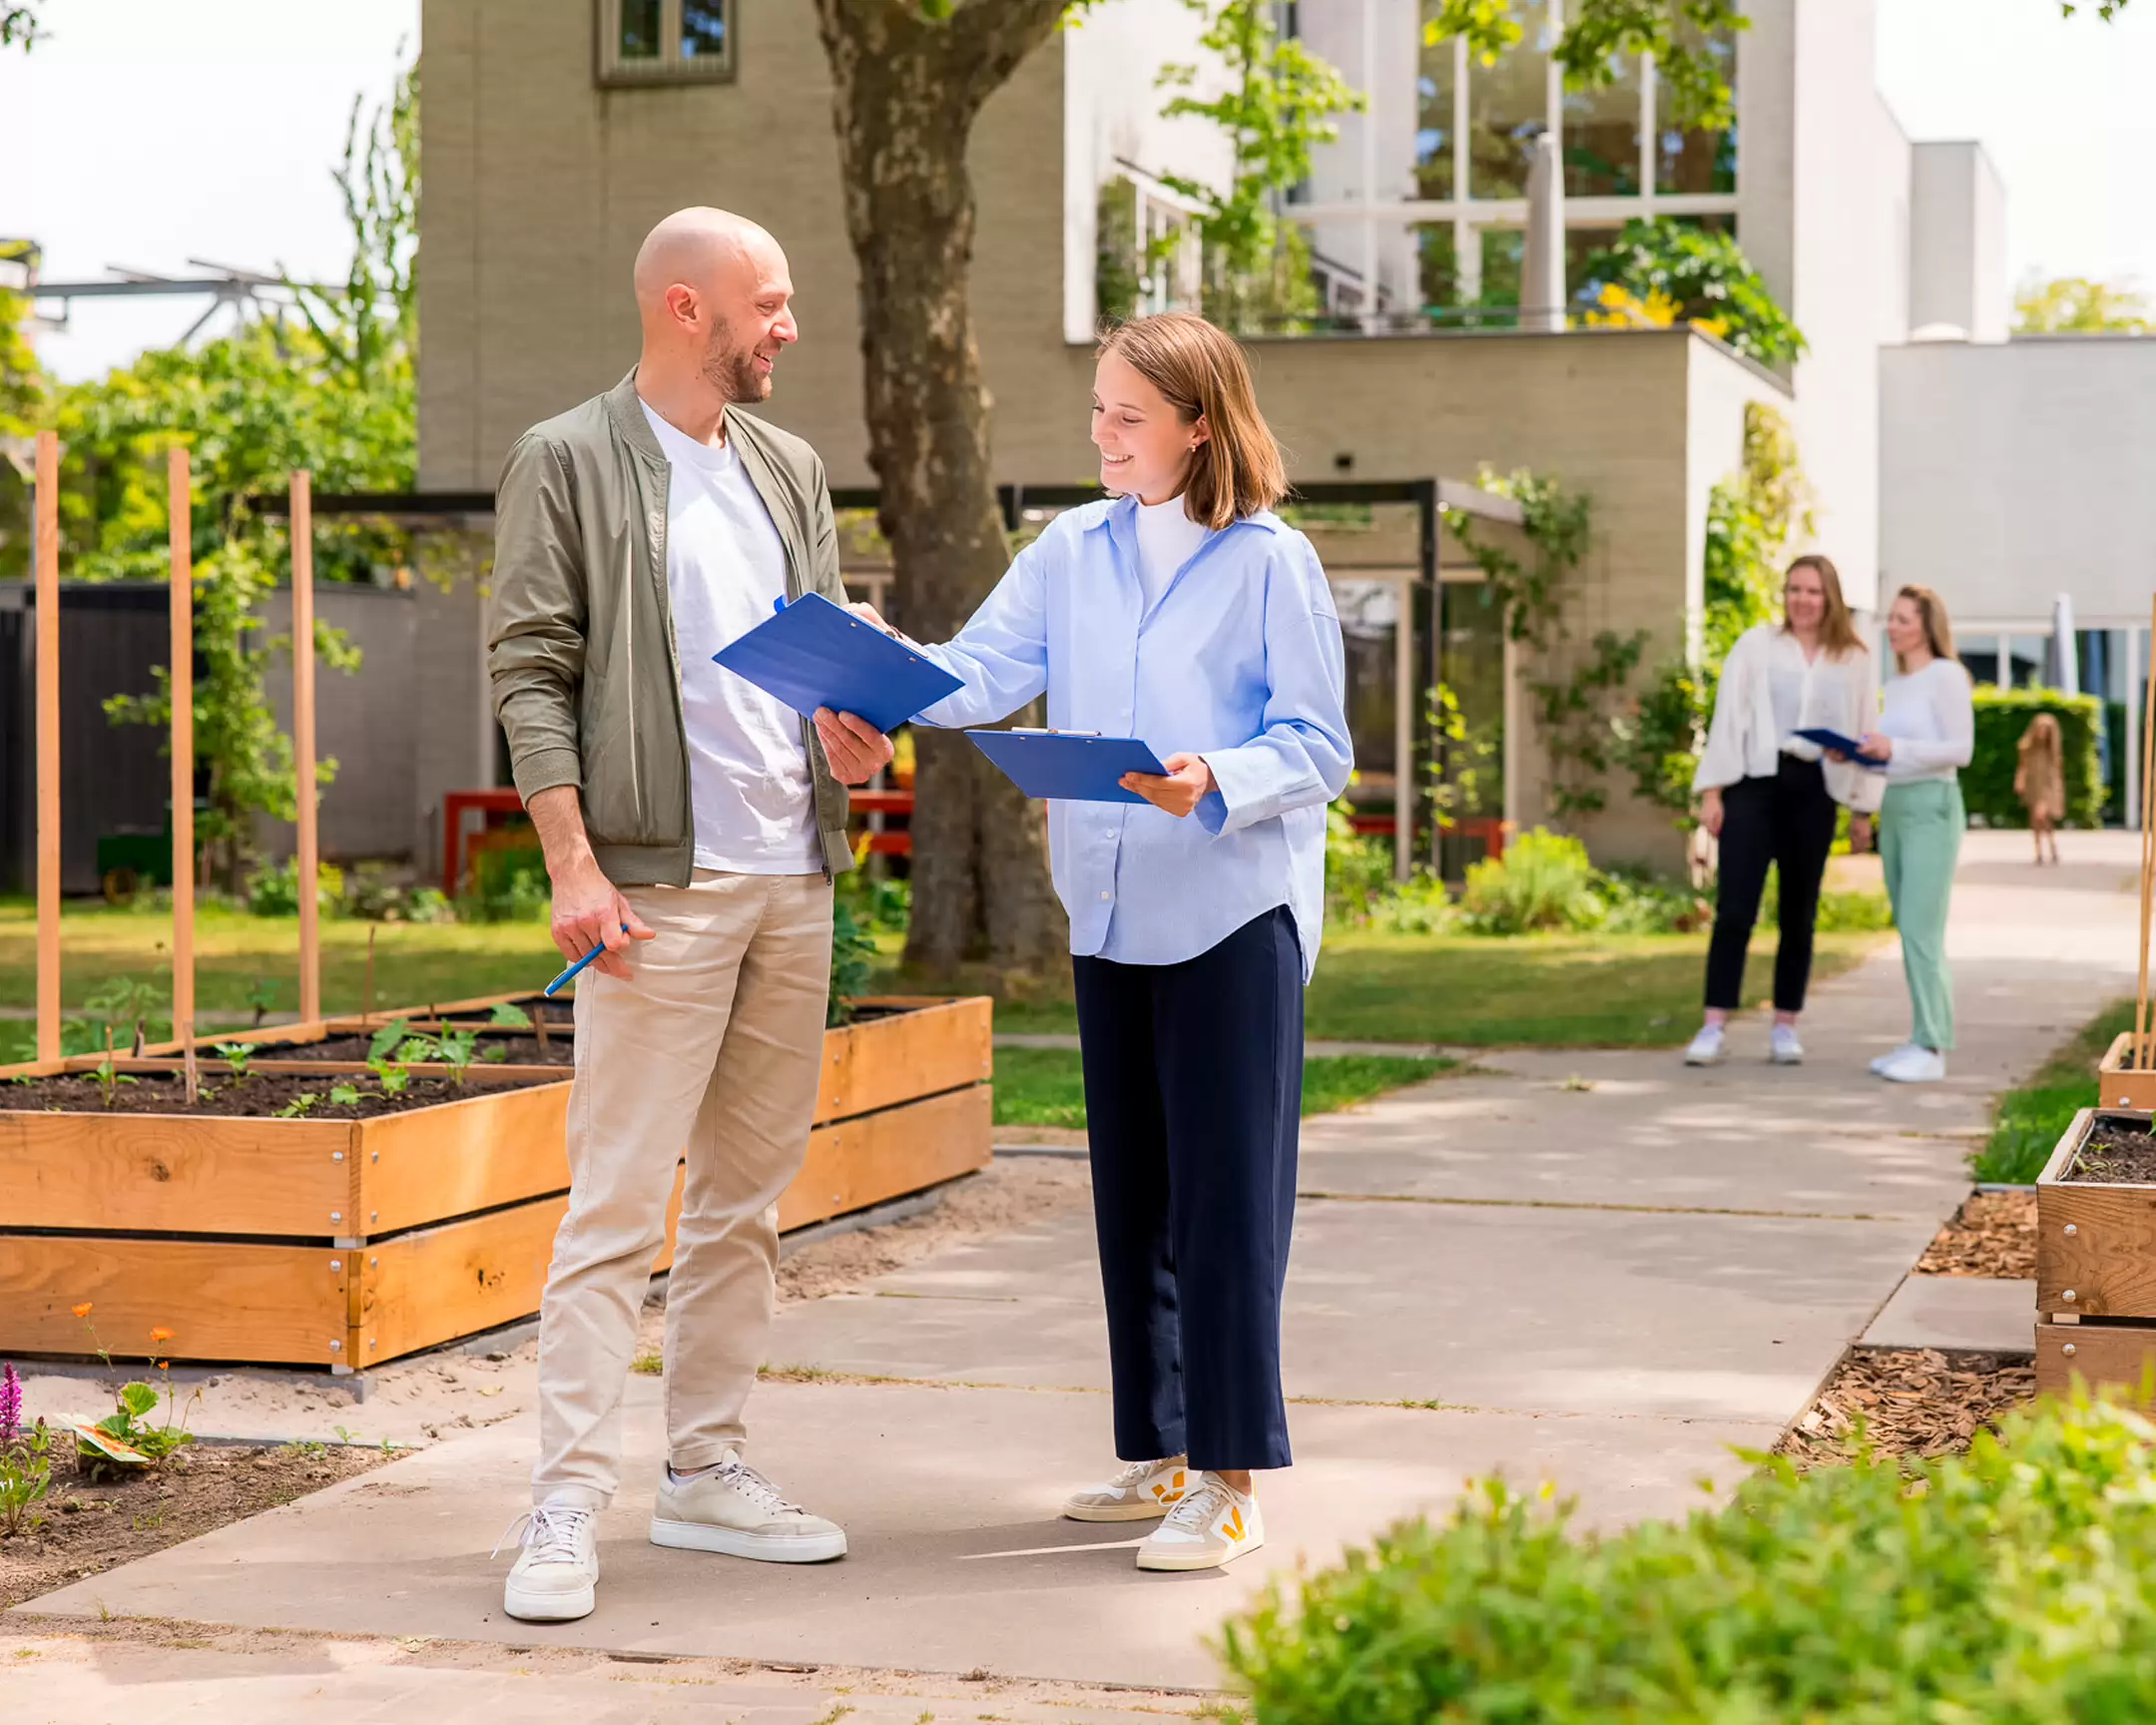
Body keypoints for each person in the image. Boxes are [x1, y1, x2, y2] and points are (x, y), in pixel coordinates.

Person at [873, 311, 1351, 1572]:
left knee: (1226, 1205)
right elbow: (973, 674)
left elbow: (1318, 746)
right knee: (1133, 1195)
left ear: (1202, 424)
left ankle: (1233, 1477)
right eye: (1096, 409)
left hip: (1232, 910)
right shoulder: (1069, 551)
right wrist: (862, 674)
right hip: (1112, 905)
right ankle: (1161, 1457)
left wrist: (1220, 776)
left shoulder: (1269, 562)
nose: (1102, 435)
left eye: (1127, 416)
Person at [485, 208, 895, 1622]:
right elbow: (530, 676)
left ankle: (708, 1469)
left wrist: (857, 744)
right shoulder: (568, 459)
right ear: (684, 308)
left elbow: (826, 664)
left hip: (793, 882)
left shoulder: (788, 468)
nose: (786, 327)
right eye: (766, 305)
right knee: (614, 1209)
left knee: (744, 1208)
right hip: (654, 892)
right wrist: (573, 866)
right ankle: (564, 1505)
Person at [1685, 556, 1882, 1068]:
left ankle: (1785, 1026)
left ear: (1830, 597)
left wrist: (1862, 808)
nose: (1803, 600)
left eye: (1814, 591)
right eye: (1795, 589)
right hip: (1754, 784)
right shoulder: (1756, 646)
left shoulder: (1854, 658)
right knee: (1735, 909)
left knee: (1799, 913)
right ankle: (1713, 1024)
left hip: (1814, 788)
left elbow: (1865, 727)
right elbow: (1727, 715)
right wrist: (1714, 792)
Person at [1862, 584, 1974, 1083]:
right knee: (1907, 930)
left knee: (1921, 930)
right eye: (1891, 618)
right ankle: (1918, 1037)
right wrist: (1864, 754)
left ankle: (1933, 1047)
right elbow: (1898, 751)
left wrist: (1895, 749)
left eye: (1904, 619)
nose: (1893, 626)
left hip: (1933, 804)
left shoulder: (1946, 675)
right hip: (1897, 803)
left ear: (1928, 626)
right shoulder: (1899, 682)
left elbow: (1960, 750)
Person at [2015, 712, 2065, 865]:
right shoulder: (2027, 748)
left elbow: (2056, 773)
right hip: (2033, 785)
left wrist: (2056, 791)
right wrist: (2020, 781)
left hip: (2046, 788)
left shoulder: (2052, 753)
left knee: (2043, 817)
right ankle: (2040, 851)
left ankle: (2051, 847)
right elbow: (2022, 766)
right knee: (2035, 820)